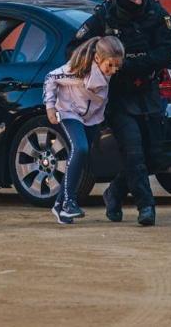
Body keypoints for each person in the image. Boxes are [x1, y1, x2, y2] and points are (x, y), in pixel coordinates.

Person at [70, 0, 171, 226]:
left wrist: (131, 62)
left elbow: (166, 51)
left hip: (148, 93)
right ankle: (146, 206)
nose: (139, 2)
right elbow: (75, 49)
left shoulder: (156, 13)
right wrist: (104, 65)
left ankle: (114, 192)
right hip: (118, 95)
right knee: (133, 153)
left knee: (153, 156)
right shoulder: (104, 17)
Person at [43, 36, 124, 224]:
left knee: (80, 158)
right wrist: (50, 107)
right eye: (110, 65)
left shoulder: (109, 72)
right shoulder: (77, 71)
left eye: (117, 66)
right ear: (97, 59)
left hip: (91, 118)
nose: (113, 70)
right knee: (80, 149)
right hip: (69, 112)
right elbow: (51, 78)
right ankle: (69, 202)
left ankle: (59, 206)